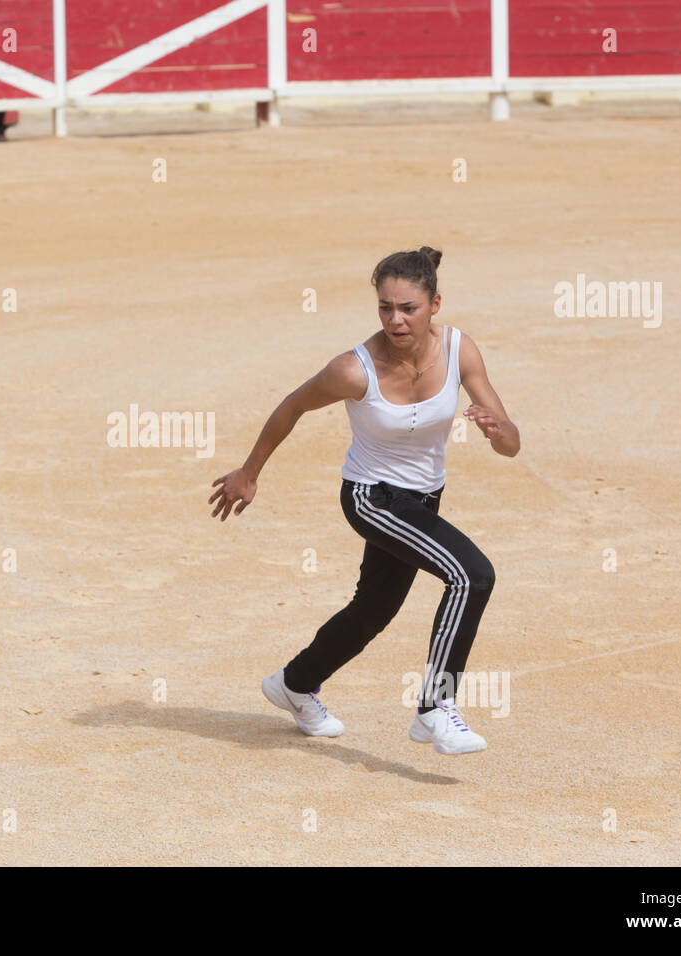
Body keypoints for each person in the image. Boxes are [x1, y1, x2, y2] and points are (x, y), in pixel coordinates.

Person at [208, 247, 520, 755]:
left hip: (422, 501)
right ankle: (435, 709)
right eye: (384, 307)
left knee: (374, 609)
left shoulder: (461, 351)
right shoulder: (355, 369)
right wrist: (249, 471)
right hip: (371, 498)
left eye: (408, 308)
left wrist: (497, 428)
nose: (395, 320)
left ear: (434, 304)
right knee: (471, 575)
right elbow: (293, 405)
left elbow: (511, 446)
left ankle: (294, 683)